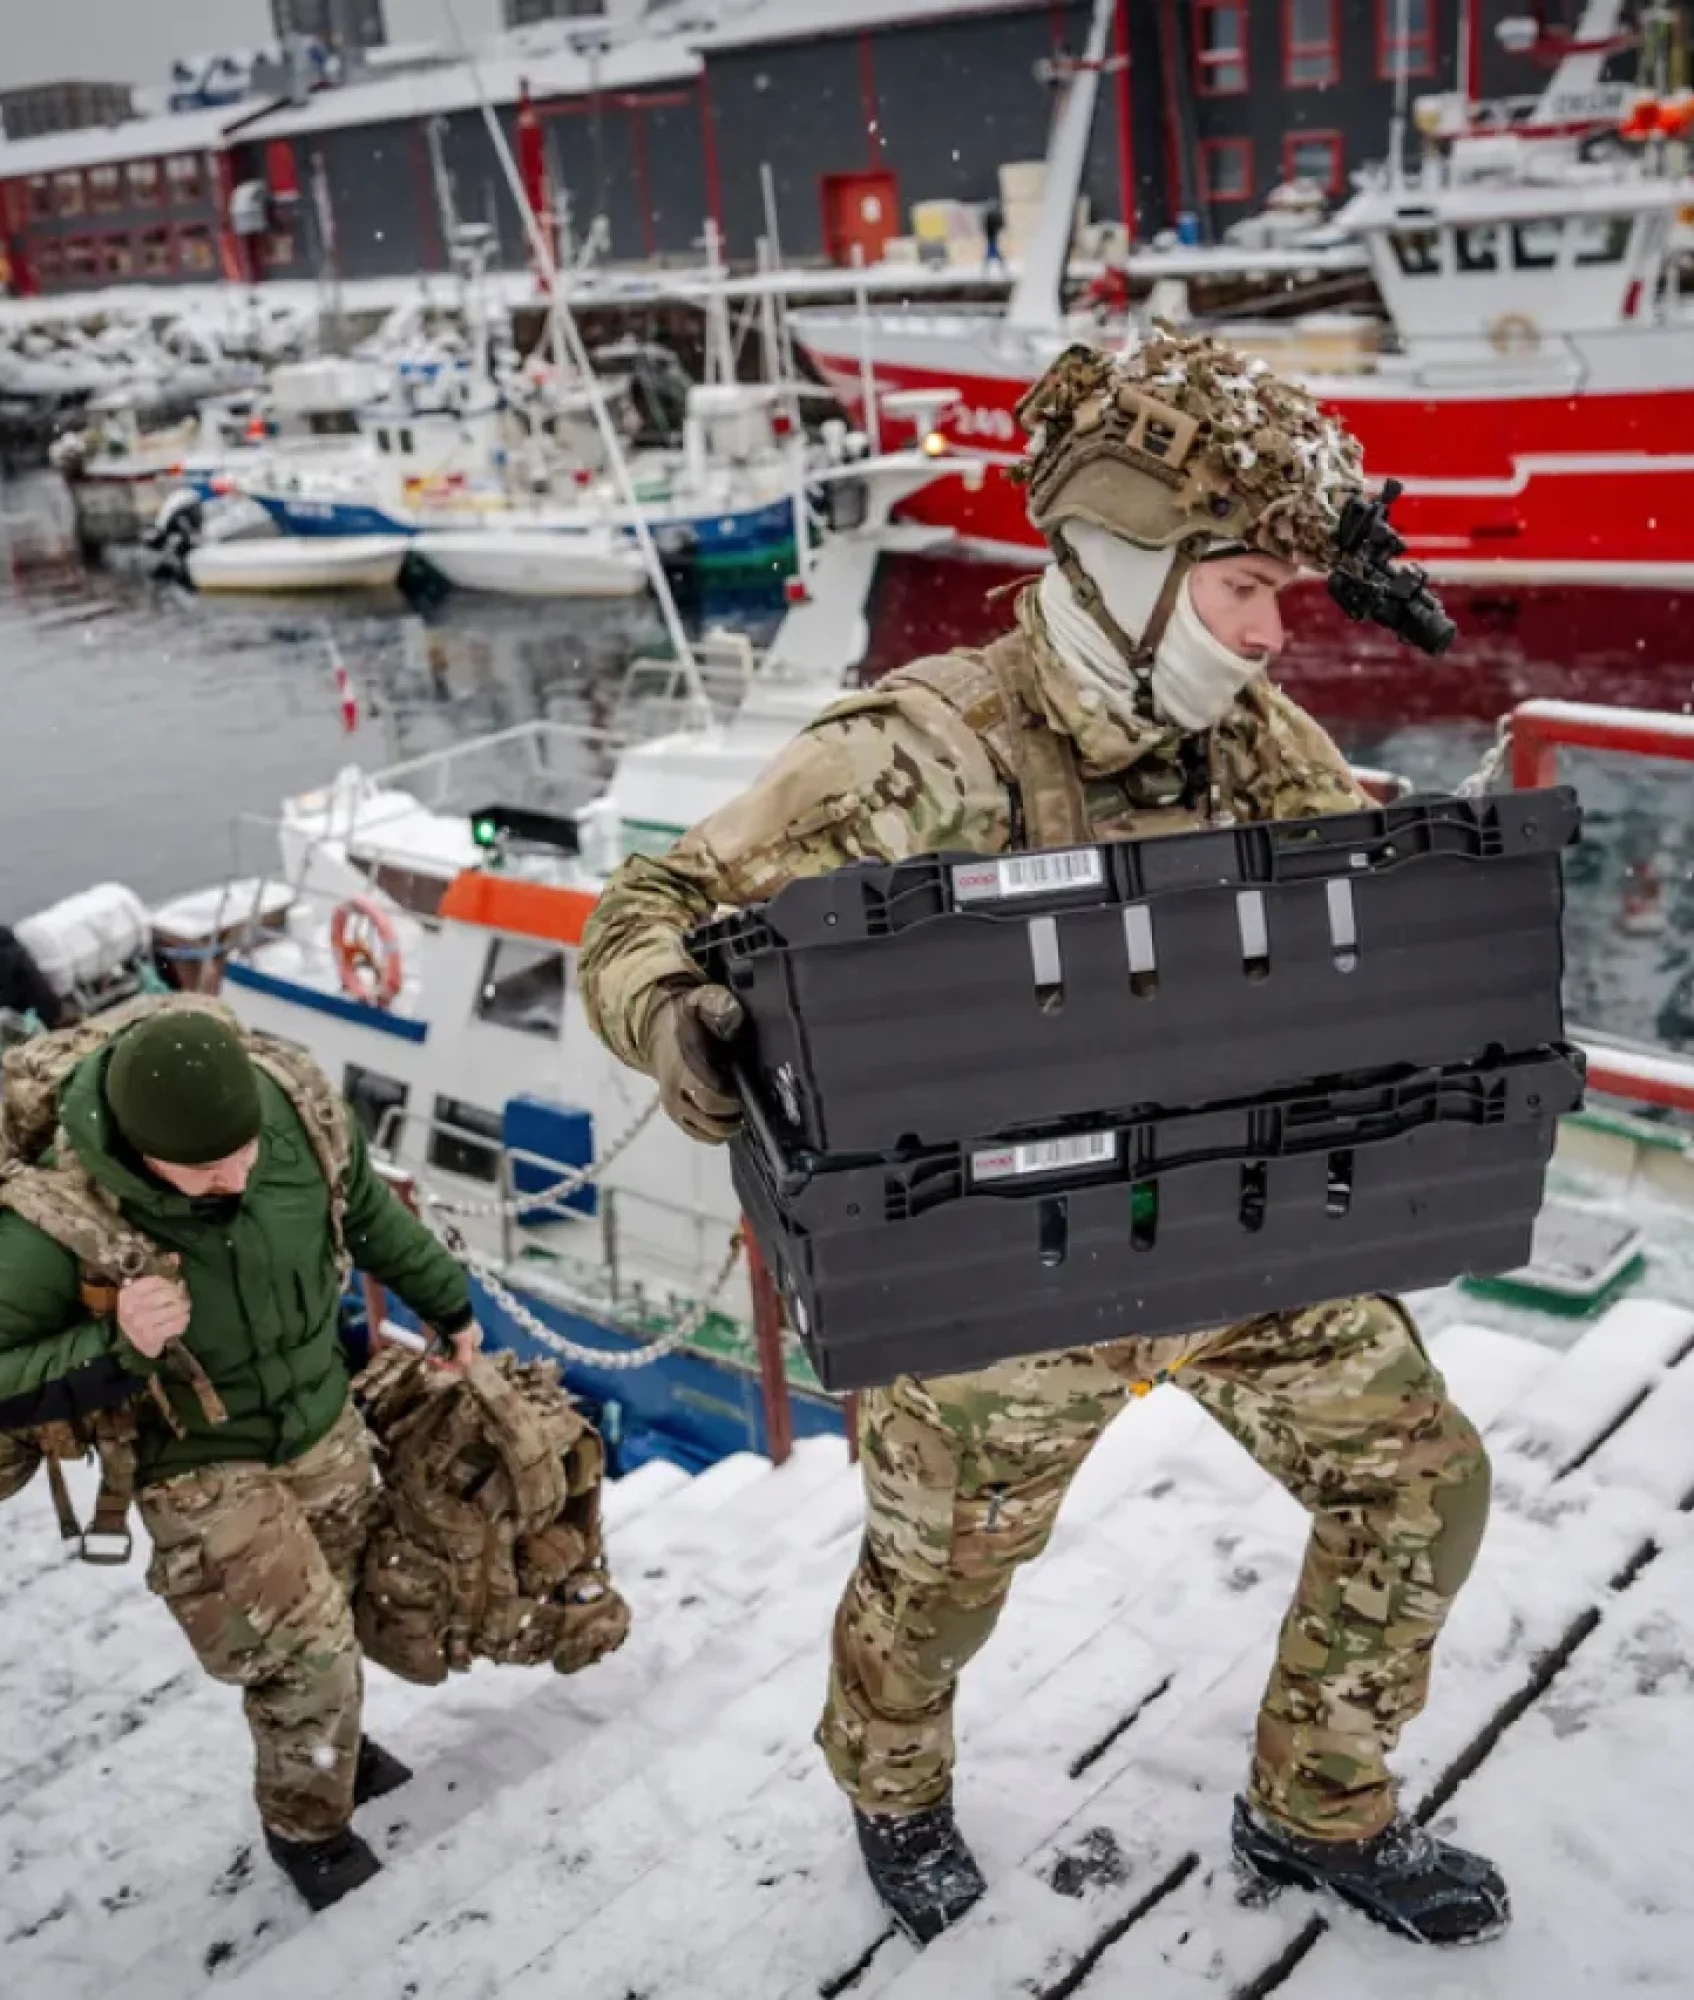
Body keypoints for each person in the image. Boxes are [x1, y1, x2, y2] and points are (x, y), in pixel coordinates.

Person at [575, 329, 1507, 1950]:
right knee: (934, 1591)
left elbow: (1355, 902)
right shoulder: (918, 749)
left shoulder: (1247, 738)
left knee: (1416, 1482)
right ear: (1126, 570)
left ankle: (1315, 1803)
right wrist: (673, 1015)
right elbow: (647, 909)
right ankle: (890, 1784)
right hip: (1000, 1268)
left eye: (1277, 599)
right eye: (1241, 595)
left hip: (1236, 1233)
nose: (1270, 633)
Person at [0, 1007, 480, 1911]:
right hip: (195, 1456)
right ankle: (311, 1832)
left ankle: (330, 1742)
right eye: (207, 1171)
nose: (240, 1176)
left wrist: (446, 1304)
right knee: (307, 1656)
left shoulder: (291, 1111)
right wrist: (115, 1348)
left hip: (317, 1416)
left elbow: (367, 1212)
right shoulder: (54, 1223)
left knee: (340, 1600)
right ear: (141, 1153)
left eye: (246, 1151)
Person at [982, 199, 1006, 274]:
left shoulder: (990, 215)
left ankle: (986, 268)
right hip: (993, 235)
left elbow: (985, 226)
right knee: (993, 251)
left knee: (992, 251)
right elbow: (1000, 224)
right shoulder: (994, 215)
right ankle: (1000, 266)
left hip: (992, 235)